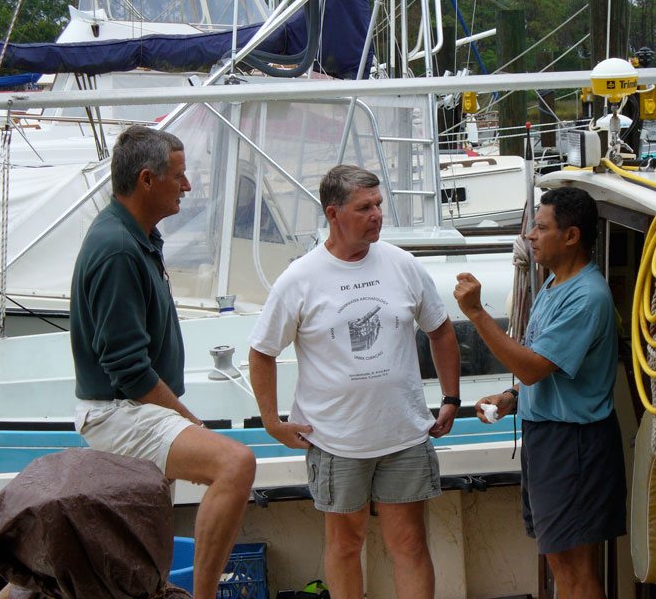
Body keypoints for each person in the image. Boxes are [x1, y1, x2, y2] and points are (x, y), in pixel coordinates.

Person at [249, 164, 460, 599]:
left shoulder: (403, 264)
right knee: (345, 545)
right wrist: (272, 421)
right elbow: (262, 351)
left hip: (403, 435)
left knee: (410, 543)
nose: (377, 214)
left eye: (378, 204)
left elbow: (440, 330)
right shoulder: (300, 278)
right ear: (333, 213)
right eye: (364, 208)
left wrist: (451, 397)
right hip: (336, 441)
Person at [69, 125, 256, 599]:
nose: (187, 186)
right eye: (180, 175)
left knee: (144, 551)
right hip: (121, 411)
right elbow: (129, 371)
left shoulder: (136, 237)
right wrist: (192, 423)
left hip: (134, 410)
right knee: (235, 464)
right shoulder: (116, 249)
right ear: (147, 180)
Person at [453, 187, 626, 599]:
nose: (530, 235)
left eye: (541, 227)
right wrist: (511, 397)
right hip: (549, 438)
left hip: (574, 444)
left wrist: (476, 313)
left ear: (571, 236)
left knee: (573, 568)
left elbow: (532, 367)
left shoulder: (586, 297)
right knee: (560, 561)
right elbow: (544, 366)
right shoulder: (554, 284)